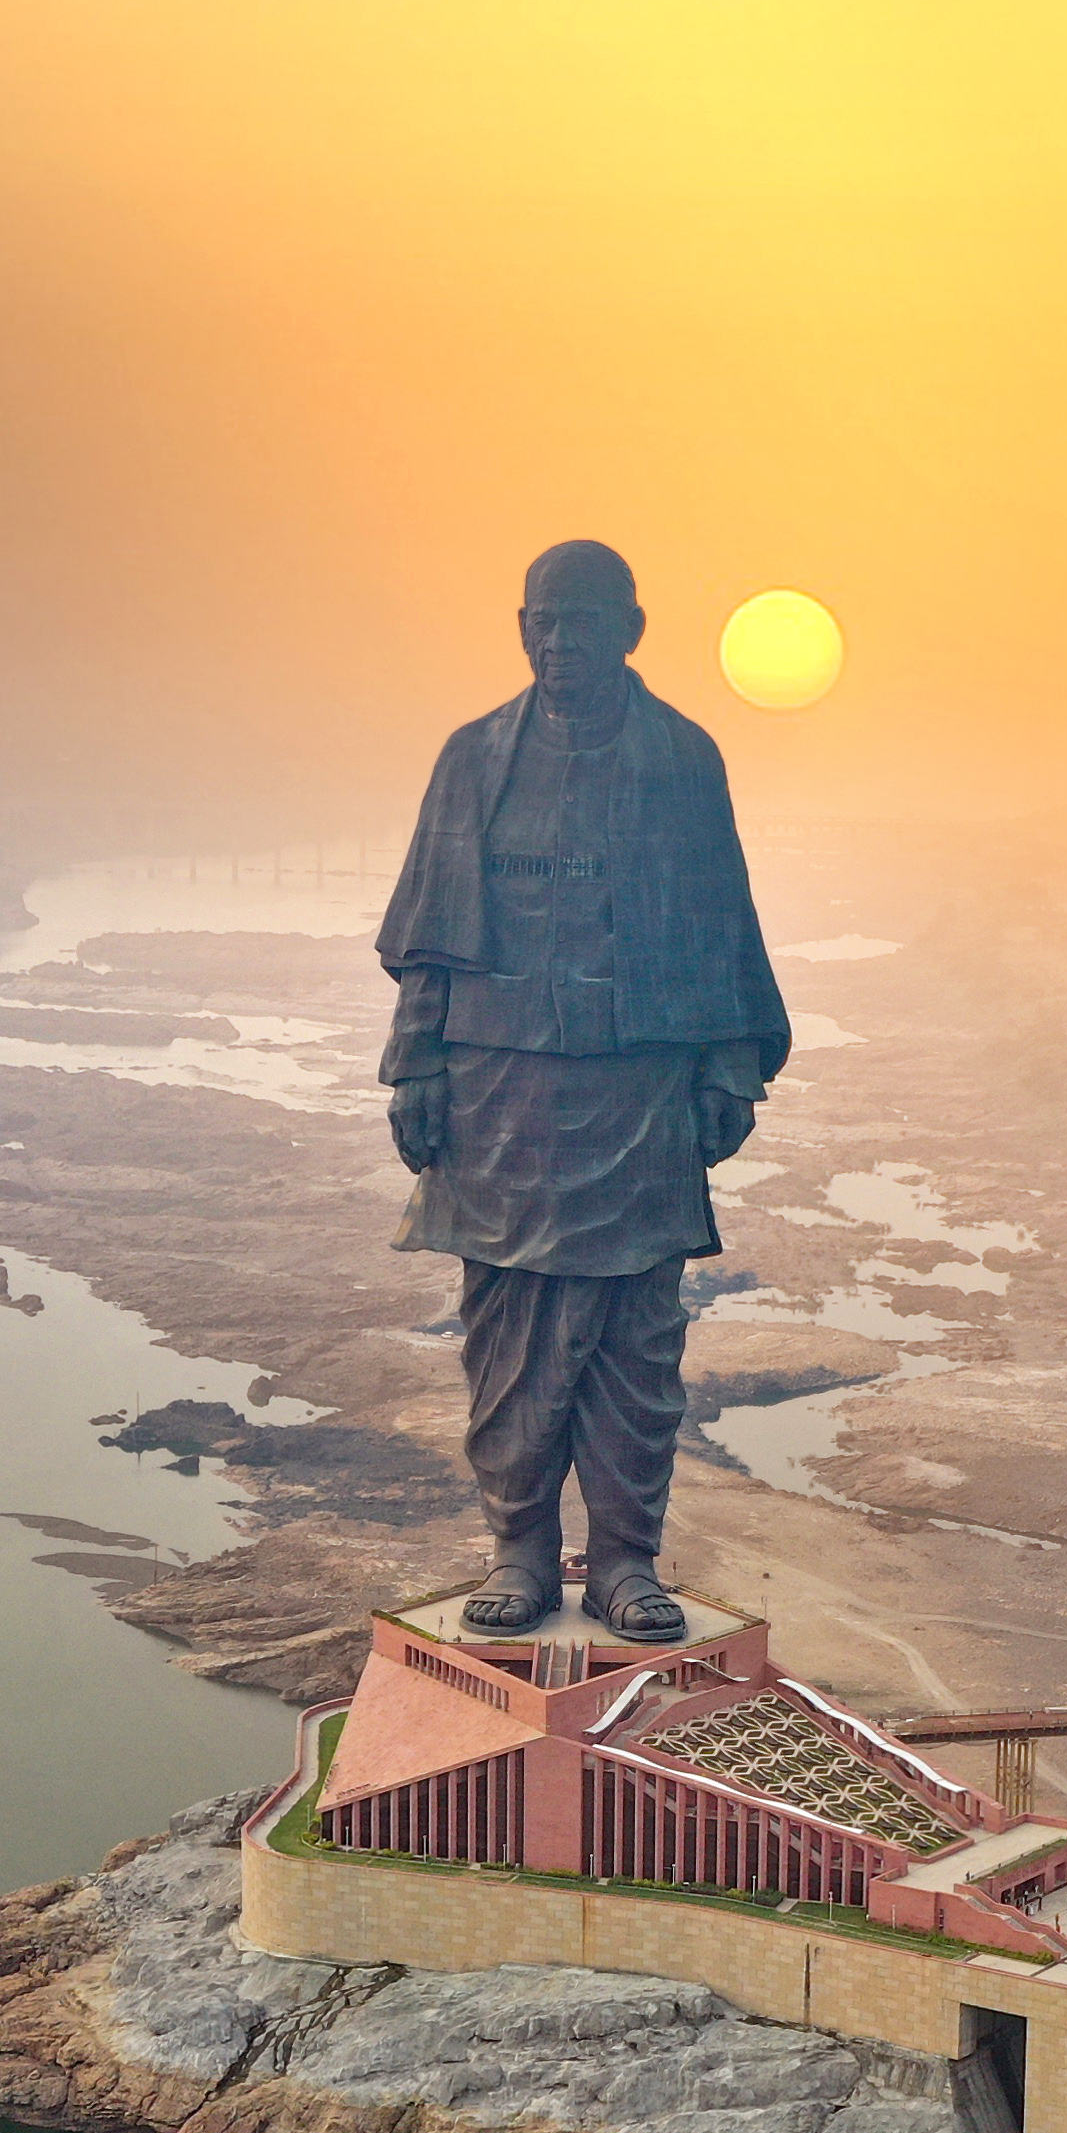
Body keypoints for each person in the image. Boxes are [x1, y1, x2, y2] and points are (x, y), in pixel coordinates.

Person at [371, 538, 793, 1643]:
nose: (559, 645)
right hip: (500, 1092)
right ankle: (517, 1546)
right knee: (506, 1329)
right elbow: (431, 939)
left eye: (582, 623)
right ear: (521, 631)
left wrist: (727, 1065)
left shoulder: (682, 760)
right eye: (540, 624)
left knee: (637, 1339)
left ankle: (622, 1558)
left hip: (639, 1091)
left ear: (631, 631)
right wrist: (416, 1064)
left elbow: (722, 925)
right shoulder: (474, 759)